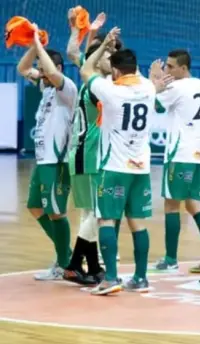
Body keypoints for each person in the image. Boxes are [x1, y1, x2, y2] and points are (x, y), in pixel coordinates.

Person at [81, 28, 157, 295]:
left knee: (106, 220)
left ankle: (111, 278)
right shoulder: (148, 87)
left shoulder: (110, 90)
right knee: (138, 222)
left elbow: (86, 68)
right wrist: (116, 51)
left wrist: (103, 46)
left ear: (114, 71)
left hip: (114, 167)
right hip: (141, 167)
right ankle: (140, 278)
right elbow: (134, 73)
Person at [149, 50, 200, 274]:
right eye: (166, 66)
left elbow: (156, 105)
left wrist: (154, 81)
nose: (167, 70)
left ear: (183, 68)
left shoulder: (176, 87)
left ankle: (171, 259)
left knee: (171, 205)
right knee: (193, 205)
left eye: (171, 67)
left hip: (180, 155)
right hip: (199, 155)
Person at [17, 26, 76, 282]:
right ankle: (67, 254)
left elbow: (51, 72)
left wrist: (40, 47)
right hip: (43, 160)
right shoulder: (46, 86)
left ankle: (65, 264)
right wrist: (33, 45)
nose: (40, 74)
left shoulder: (67, 88)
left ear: (57, 68)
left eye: (43, 69)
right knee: (34, 207)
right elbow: (22, 68)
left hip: (57, 161)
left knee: (56, 212)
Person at [62, 41, 113, 286]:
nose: (112, 60)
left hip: (83, 154)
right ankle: (73, 265)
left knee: (89, 213)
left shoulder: (91, 82)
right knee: (96, 213)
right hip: (90, 156)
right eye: (108, 56)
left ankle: (93, 266)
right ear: (97, 60)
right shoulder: (98, 86)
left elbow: (75, 54)